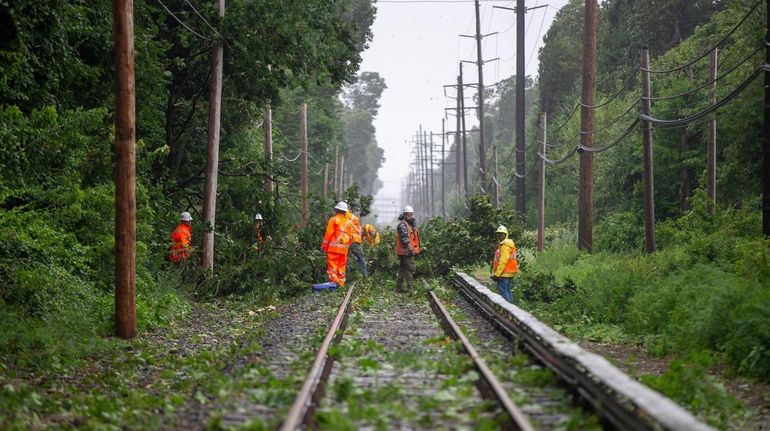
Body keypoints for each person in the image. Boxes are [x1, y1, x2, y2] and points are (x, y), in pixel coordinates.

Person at [321, 201, 353, 287]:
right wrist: (346, 248)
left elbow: (328, 233)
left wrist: (324, 246)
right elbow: (350, 238)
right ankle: (341, 284)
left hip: (333, 249)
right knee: (341, 267)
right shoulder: (349, 223)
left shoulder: (333, 220)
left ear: (336, 210)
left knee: (332, 267)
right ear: (345, 211)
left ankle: (334, 284)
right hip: (343, 251)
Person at [395, 205, 421, 293]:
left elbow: (413, 238)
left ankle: (399, 287)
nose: (409, 215)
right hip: (406, 251)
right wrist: (409, 247)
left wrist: (417, 248)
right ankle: (410, 289)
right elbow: (404, 237)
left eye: (410, 214)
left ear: (412, 214)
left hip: (406, 251)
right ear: (404, 214)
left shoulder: (411, 224)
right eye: (407, 214)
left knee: (402, 268)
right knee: (410, 268)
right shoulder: (403, 224)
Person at [491, 225, 518, 303]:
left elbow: (503, 261)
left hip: (504, 273)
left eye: (502, 234)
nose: (500, 236)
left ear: (506, 235)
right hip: (510, 272)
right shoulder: (508, 245)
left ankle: (508, 310)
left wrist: (497, 274)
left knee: (503, 291)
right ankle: (513, 309)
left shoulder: (505, 246)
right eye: (498, 234)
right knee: (507, 290)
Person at [347, 207, 368, 278]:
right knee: (361, 259)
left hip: (347, 241)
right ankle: (365, 277)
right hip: (355, 241)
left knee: (347, 258)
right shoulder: (353, 218)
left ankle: (350, 275)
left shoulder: (343, 217)